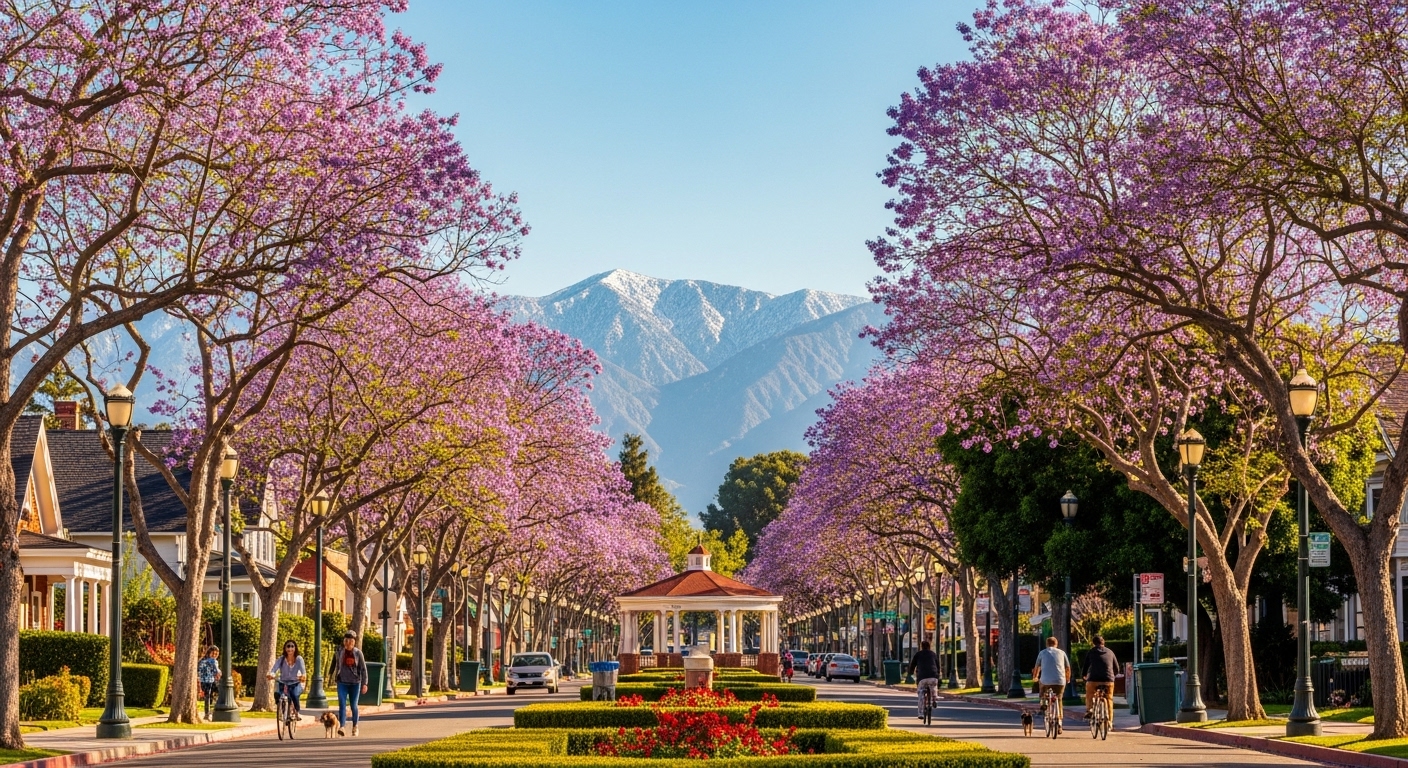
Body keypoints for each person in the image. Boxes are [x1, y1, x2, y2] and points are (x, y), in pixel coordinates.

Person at [335, 630, 369, 737]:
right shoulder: (340, 652)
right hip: (342, 682)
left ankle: (355, 726)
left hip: (355, 683)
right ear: (344, 641)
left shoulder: (358, 653)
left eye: (351, 640)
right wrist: (330, 675)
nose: (348, 642)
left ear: (354, 642)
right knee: (342, 704)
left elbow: (363, 669)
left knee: (354, 705)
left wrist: (364, 683)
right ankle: (342, 726)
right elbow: (334, 664)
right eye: (347, 640)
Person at [268, 640, 308, 720]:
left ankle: (297, 711)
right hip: (283, 682)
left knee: (294, 695)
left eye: (292, 646)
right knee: (278, 694)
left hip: (295, 683)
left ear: (295, 648)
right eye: (288, 646)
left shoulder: (299, 659)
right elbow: (274, 669)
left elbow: (303, 671)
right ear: (285, 648)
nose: (290, 648)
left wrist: (303, 676)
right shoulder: (281, 659)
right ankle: (282, 711)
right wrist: (271, 674)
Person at [1032, 636, 1071, 719]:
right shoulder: (1062, 653)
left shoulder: (1042, 653)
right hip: (1060, 681)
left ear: (1047, 644)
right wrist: (1067, 678)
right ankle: (1059, 720)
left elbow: (1037, 667)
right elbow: (1067, 667)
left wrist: (1035, 677)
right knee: (1059, 698)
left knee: (1042, 692)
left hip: (1045, 681)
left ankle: (1043, 704)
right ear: (1056, 644)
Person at [1082, 635, 1119, 720]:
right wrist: (1112, 676)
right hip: (1108, 679)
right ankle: (1109, 722)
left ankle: (1090, 709)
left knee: (1090, 694)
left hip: (1093, 679)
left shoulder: (1091, 652)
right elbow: (1116, 668)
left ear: (1093, 643)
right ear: (1103, 642)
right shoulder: (1110, 652)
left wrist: (1084, 675)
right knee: (1109, 699)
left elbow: (1085, 666)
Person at [908, 640, 941, 720]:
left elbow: (913, 665)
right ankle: (934, 698)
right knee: (933, 686)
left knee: (921, 694)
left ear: (921, 647)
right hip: (933, 676)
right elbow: (938, 665)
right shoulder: (933, 654)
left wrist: (910, 672)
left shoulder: (918, 654)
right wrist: (938, 674)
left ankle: (921, 713)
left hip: (922, 677)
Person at [198, 646, 221, 719]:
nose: (214, 656)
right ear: (209, 653)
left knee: (207, 697)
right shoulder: (213, 661)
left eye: (216, 654)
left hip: (203, 681)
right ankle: (211, 711)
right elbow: (217, 671)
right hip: (211, 681)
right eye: (213, 653)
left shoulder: (202, 661)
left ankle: (207, 713)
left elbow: (198, 670)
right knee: (220, 694)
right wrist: (220, 673)